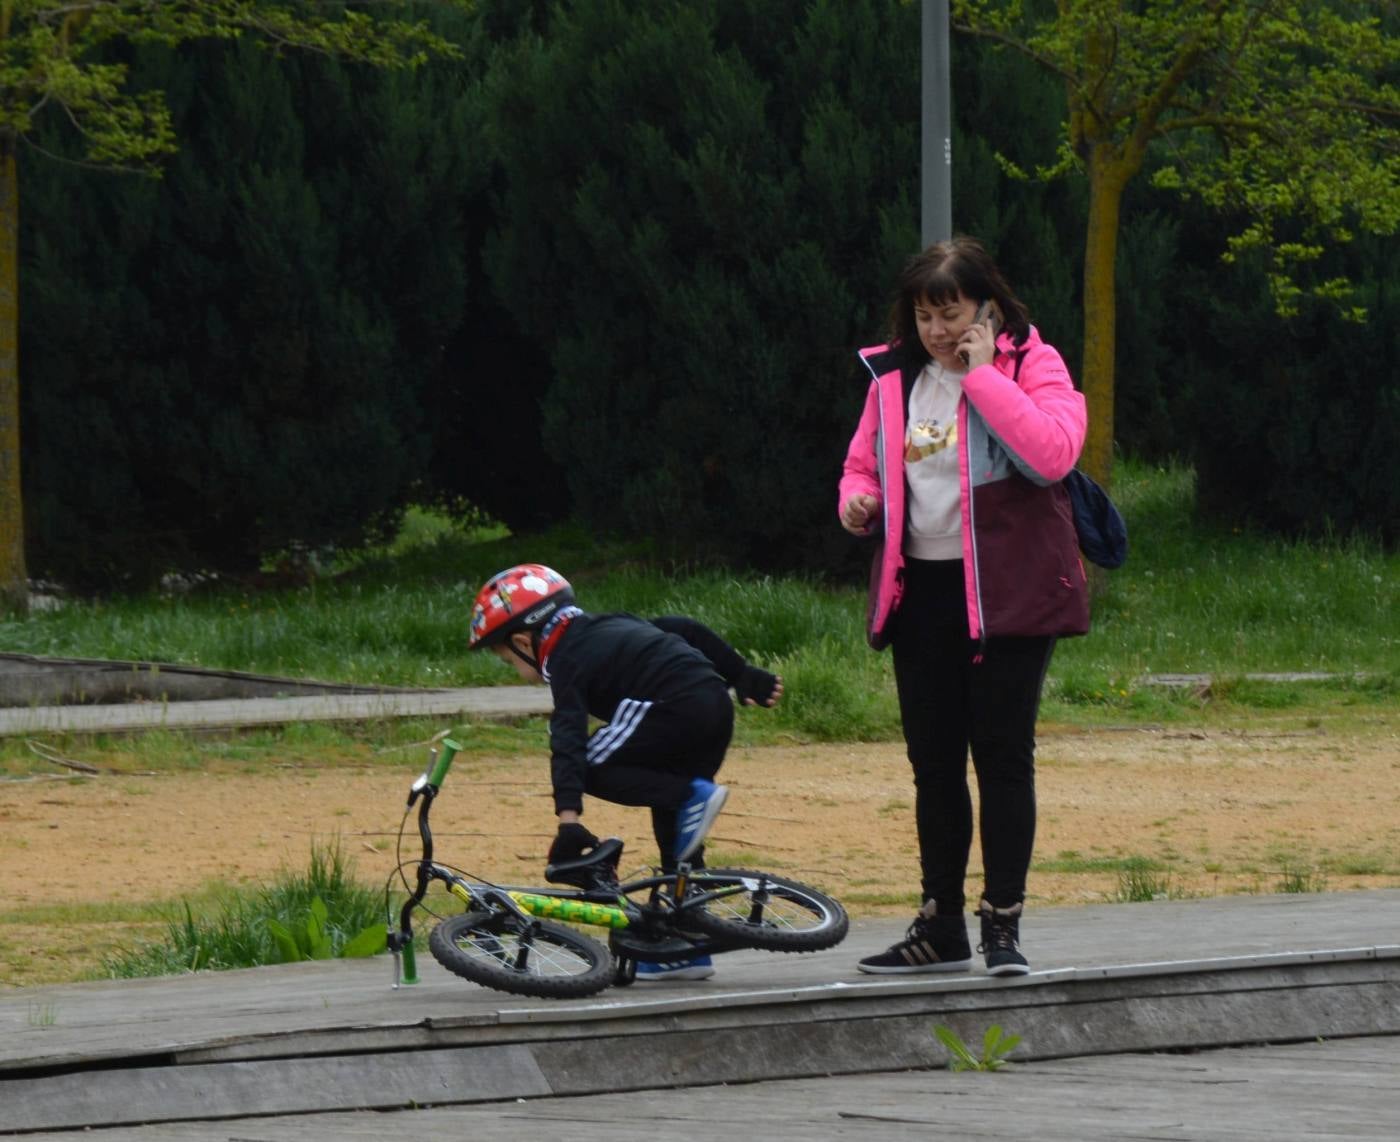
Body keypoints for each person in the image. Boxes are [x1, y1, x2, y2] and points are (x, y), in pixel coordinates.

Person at [838, 236, 1089, 977]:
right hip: (924, 592)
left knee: (1003, 760)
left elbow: (1052, 454)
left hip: (1011, 594)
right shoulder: (892, 379)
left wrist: (982, 378)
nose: (939, 333)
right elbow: (863, 462)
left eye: (953, 315)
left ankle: (1002, 924)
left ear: (989, 309)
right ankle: (940, 923)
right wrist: (859, 500)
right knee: (934, 764)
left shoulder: (1032, 365)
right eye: (925, 317)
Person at [468, 562, 783, 981]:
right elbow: (681, 627)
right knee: (672, 824)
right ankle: (687, 939)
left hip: (669, 707)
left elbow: (568, 739)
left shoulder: (566, 658)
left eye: (510, 660)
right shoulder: (610, 623)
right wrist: (741, 673)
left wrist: (569, 821)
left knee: (593, 764)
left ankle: (692, 797)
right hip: (713, 708)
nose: (517, 669)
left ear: (525, 641)